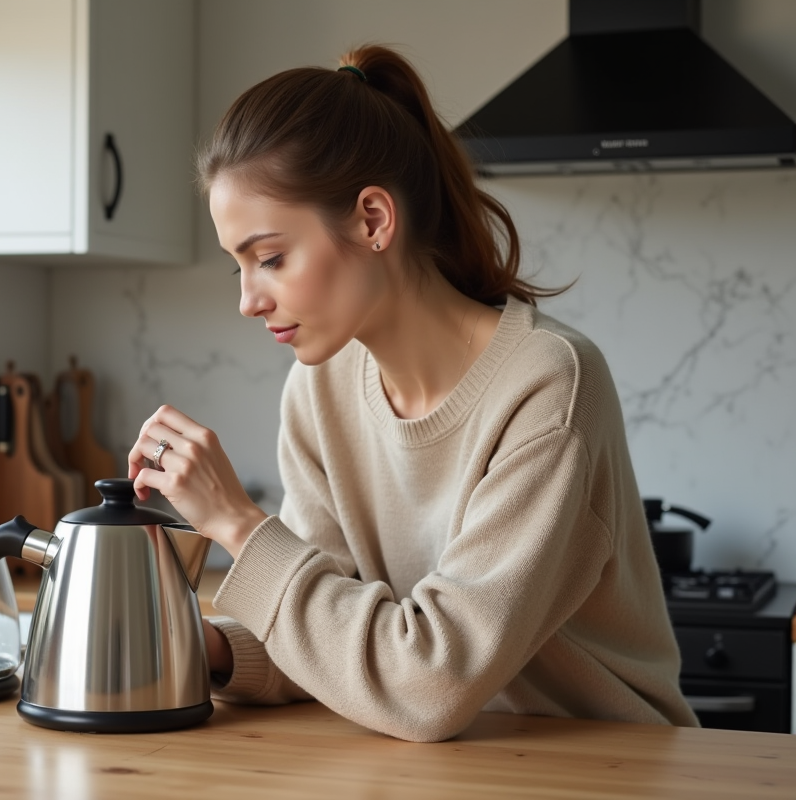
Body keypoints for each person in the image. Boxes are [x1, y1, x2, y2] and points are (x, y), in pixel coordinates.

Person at [127, 44, 698, 742]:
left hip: (605, 770)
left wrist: (240, 527)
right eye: (238, 266)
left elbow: (430, 684)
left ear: (372, 220)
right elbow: (325, 631)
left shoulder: (548, 386)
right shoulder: (318, 387)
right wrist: (203, 645)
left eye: (271, 258)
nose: (248, 300)